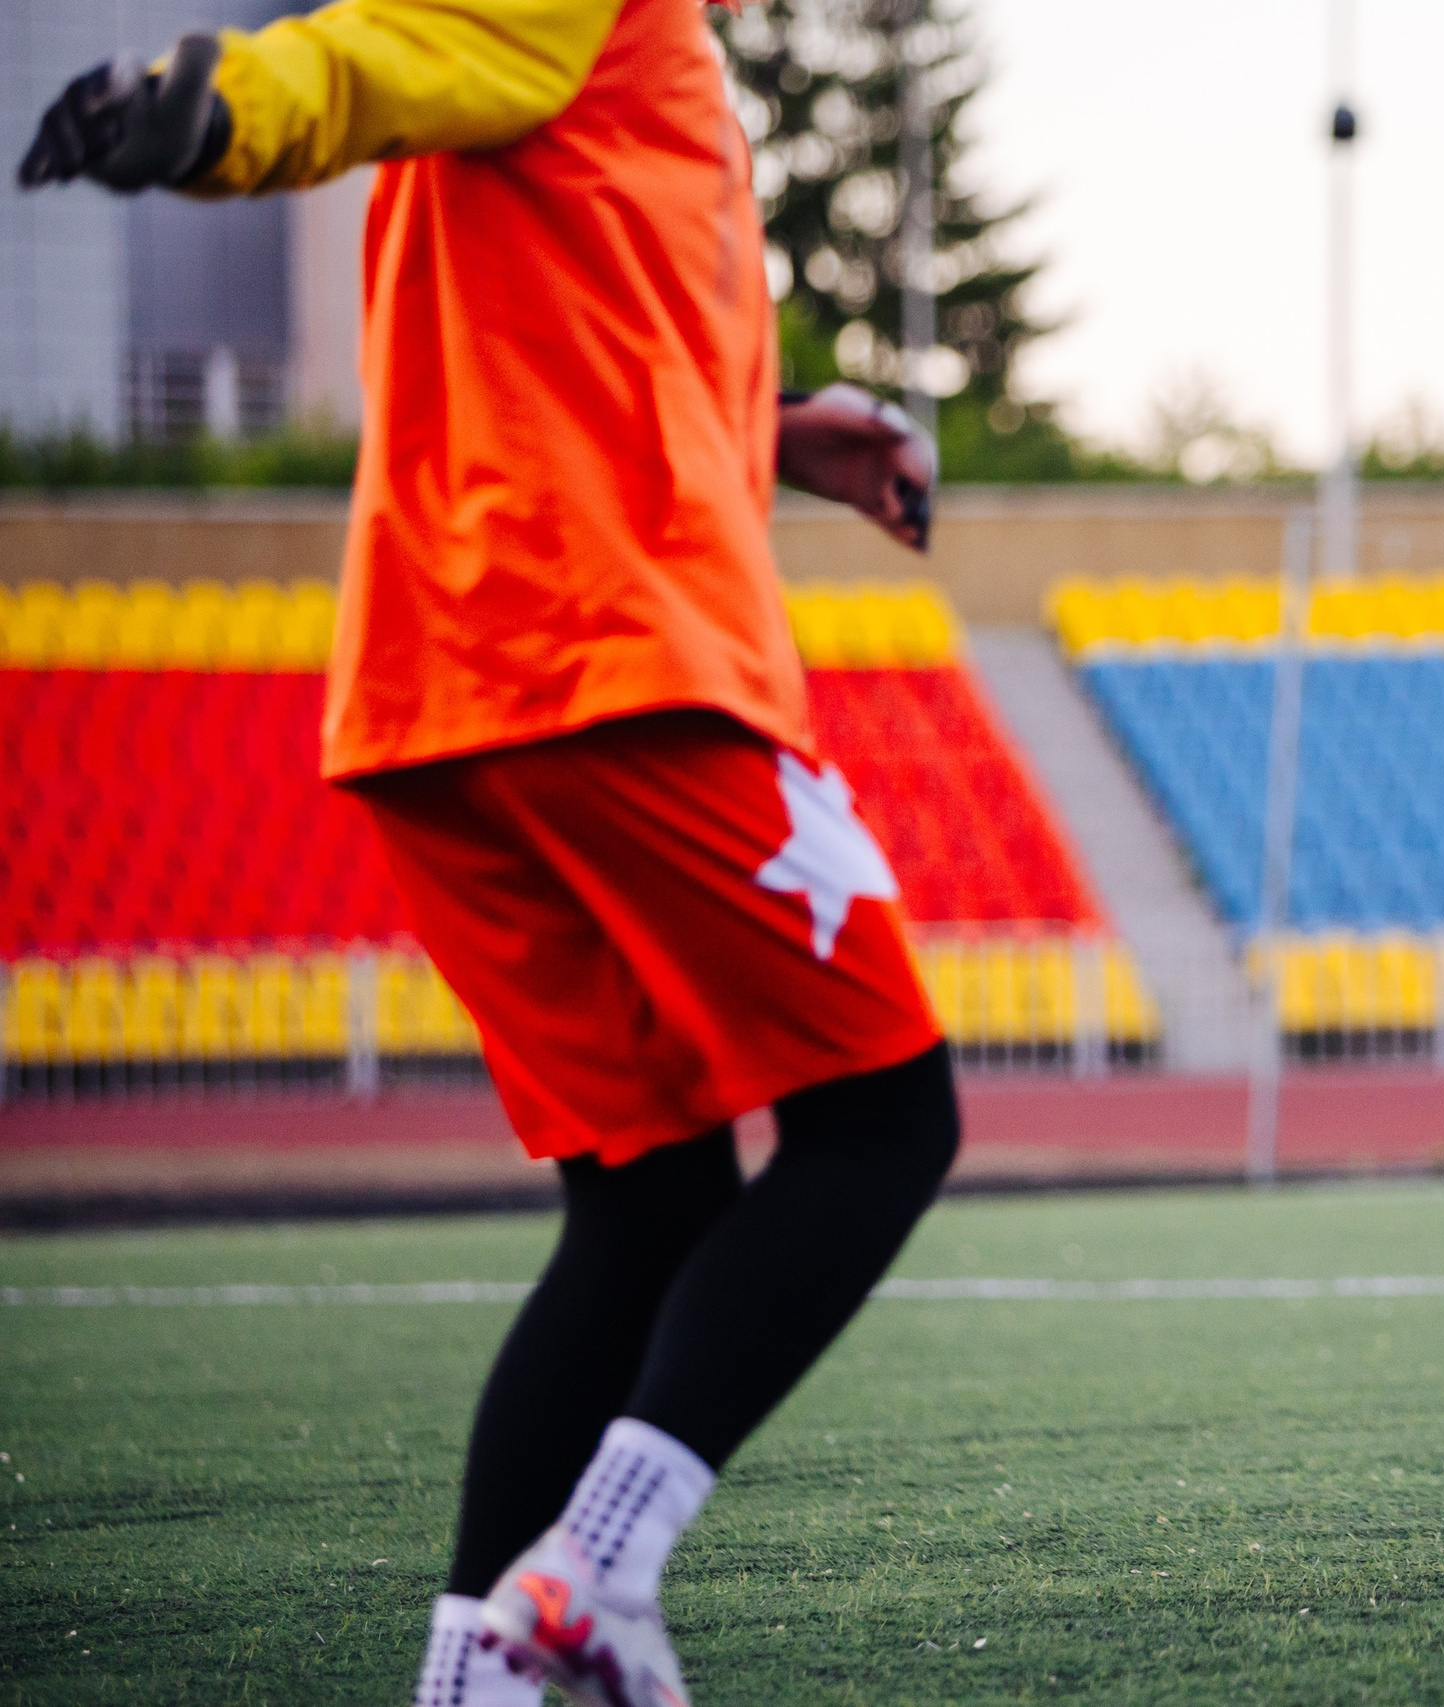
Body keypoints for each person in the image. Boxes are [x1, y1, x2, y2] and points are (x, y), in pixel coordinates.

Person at [23, 6, 956, 1702]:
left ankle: (473, 1675)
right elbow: (375, 57)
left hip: (444, 693)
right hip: (610, 658)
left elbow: (560, 314)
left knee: (650, 1195)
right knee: (884, 1118)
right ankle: (592, 1575)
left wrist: (774, 430)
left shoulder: (610, 65)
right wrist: (215, 103)